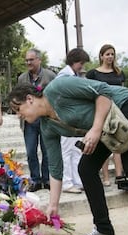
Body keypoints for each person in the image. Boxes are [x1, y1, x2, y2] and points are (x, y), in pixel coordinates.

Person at [8, 76, 128, 235]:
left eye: (18, 108)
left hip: (125, 108)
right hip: (104, 128)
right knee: (86, 169)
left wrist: (95, 129)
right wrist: (53, 205)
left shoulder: (58, 87)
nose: (18, 115)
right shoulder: (47, 127)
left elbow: (103, 92)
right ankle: (103, 229)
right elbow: (55, 168)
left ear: (30, 99)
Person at [86, 44, 126, 187]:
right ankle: (106, 176)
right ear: (101, 56)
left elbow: (122, 90)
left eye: (112, 54)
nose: (110, 57)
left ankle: (120, 175)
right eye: (107, 54)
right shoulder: (93, 73)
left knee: (118, 142)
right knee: (104, 142)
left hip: (117, 111)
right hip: (101, 111)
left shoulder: (119, 72)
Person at [17, 48, 56, 192]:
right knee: (30, 151)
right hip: (29, 122)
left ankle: (46, 179)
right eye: (27, 60)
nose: (28, 62)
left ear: (39, 60)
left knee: (47, 151)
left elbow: (56, 95)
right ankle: (35, 180)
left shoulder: (50, 76)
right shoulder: (22, 78)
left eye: (31, 60)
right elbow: (18, 97)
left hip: (46, 120)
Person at [56, 48, 90, 193]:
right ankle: (67, 182)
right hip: (66, 117)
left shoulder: (72, 75)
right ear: (74, 61)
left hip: (74, 117)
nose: (82, 66)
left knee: (76, 150)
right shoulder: (64, 76)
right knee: (67, 151)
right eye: (81, 63)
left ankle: (77, 180)